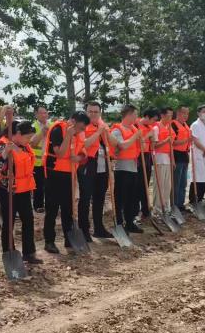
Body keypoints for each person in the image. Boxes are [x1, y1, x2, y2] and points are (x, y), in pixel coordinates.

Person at [0, 121, 41, 264]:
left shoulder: (24, 146)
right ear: (18, 134)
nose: (29, 140)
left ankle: (29, 253)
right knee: (9, 222)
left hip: (24, 188)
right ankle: (9, 253)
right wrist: (5, 154)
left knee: (28, 220)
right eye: (27, 137)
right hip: (7, 189)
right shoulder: (3, 146)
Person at [42, 111, 89, 254]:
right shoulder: (58, 130)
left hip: (70, 173)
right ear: (73, 122)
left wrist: (79, 157)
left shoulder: (80, 133)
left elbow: (83, 150)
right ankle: (49, 241)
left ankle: (69, 239)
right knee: (52, 208)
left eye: (83, 129)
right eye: (80, 128)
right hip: (54, 173)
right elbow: (60, 153)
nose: (81, 131)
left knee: (68, 208)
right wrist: (68, 135)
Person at [78, 101, 111, 241]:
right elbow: (83, 144)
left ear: (100, 113)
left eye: (96, 112)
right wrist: (98, 132)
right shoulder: (81, 127)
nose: (93, 114)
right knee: (85, 198)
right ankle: (84, 230)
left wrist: (105, 132)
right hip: (87, 164)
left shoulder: (102, 126)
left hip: (102, 166)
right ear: (86, 112)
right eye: (90, 111)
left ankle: (99, 228)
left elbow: (112, 143)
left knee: (100, 197)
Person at [109, 105, 144, 234]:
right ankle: (119, 223)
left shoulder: (134, 129)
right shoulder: (117, 130)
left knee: (131, 198)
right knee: (120, 198)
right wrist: (136, 136)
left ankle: (130, 222)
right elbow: (122, 146)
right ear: (128, 115)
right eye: (135, 115)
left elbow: (140, 146)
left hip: (133, 167)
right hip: (122, 168)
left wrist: (142, 139)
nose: (137, 117)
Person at [135, 108, 160, 221]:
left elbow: (152, 146)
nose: (154, 122)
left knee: (145, 185)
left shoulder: (150, 127)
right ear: (146, 117)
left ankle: (145, 210)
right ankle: (135, 210)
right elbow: (137, 142)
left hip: (147, 156)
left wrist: (153, 139)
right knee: (137, 184)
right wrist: (147, 136)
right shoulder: (135, 125)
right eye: (153, 120)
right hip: (137, 157)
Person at [189, 105, 205, 207]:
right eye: (204, 111)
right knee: (197, 177)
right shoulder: (195, 125)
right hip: (198, 154)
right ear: (198, 113)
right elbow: (195, 140)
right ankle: (193, 200)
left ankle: (201, 198)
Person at [151, 107, 174, 216]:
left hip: (167, 159)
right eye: (169, 115)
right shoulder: (156, 128)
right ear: (163, 115)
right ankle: (157, 208)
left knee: (167, 185)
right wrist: (165, 141)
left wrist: (172, 159)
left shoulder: (169, 127)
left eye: (171, 115)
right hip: (159, 159)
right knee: (159, 185)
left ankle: (166, 207)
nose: (170, 118)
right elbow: (154, 146)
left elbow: (171, 146)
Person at [171, 105, 191, 212]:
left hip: (185, 156)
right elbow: (172, 142)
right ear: (178, 113)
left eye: (187, 113)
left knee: (183, 182)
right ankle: (174, 205)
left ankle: (180, 204)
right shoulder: (173, 124)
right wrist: (186, 140)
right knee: (176, 182)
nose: (186, 115)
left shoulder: (186, 125)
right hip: (176, 155)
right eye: (184, 113)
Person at [30, 105, 50, 214]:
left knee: (49, 185)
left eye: (45, 113)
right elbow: (32, 144)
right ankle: (38, 205)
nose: (44, 115)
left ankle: (49, 205)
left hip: (49, 161)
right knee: (38, 185)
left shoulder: (51, 125)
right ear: (36, 114)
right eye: (41, 113)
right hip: (37, 162)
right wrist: (42, 132)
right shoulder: (33, 127)